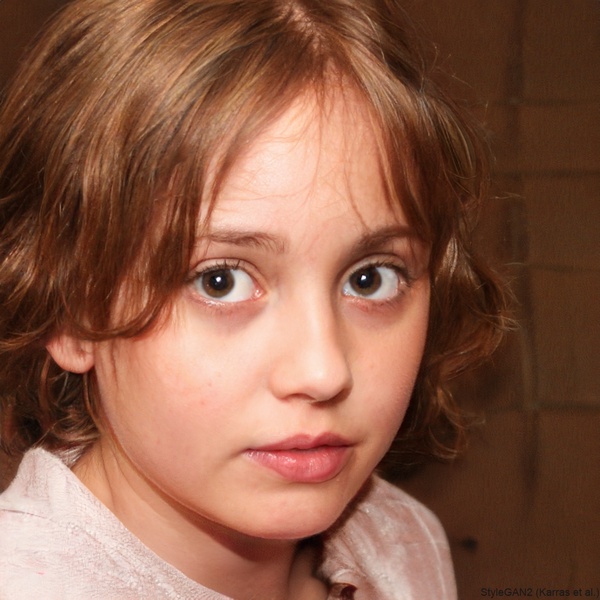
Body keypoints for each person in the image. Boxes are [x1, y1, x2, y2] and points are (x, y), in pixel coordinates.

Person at [0, 0, 510, 598]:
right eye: (221, 281)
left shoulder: (402, 543)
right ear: (70, 310)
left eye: (371, 279)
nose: (323, 372)